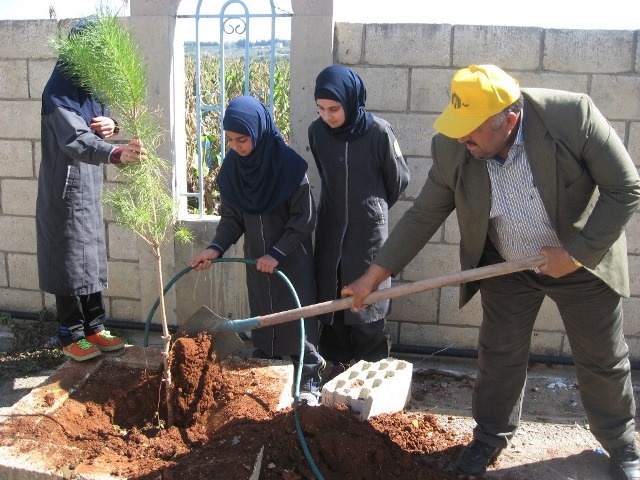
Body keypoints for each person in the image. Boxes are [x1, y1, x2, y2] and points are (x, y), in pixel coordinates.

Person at [343, 64, 640, 479]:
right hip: (507, 264)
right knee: (499, 355)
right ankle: (489, 436)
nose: (463, 138)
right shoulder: (453, 146)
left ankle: (621, 444)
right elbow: (425, 213)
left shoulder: (571, 118)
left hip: (578, 258)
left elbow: (625, 188)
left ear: (509, 120)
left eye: (473, 129)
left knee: (601, 358)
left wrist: (574, 255)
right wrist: (375, 274)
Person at [190, 95, 325, 405]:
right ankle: (268, 371)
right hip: (257, 264)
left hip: (292, 262)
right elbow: (232, 219)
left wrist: (277, 252)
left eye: (243, 139)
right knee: (263, 319)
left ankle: (308, 379)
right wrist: (215, 248)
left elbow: (304, 219)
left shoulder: (290, 169)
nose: (237, 146)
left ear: (260, 131)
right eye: (231, 140)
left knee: (296, 318)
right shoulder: (234, 171)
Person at [37, 18, 146, 362]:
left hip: (89, 187)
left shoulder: (89, 87)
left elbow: (103, 120)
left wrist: (113, 125)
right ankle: (70, 332)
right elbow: (76, 139)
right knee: (70, 260)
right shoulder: (57, 94)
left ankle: (96, 327)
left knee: (91, 257)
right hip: (65, 189)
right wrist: (115, 152)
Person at [308, 65, 410, 376]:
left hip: (368, 235)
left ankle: (373, 377)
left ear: (351, 101)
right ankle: (336, 378)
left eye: (334, 109)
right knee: (334, 304)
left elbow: (399, 179)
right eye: (322, 109)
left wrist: (372, 209)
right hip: (330, 230)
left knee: (368, 311)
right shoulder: (317, 133)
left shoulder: (378, 131)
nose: (328, 116)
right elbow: (325, 174)